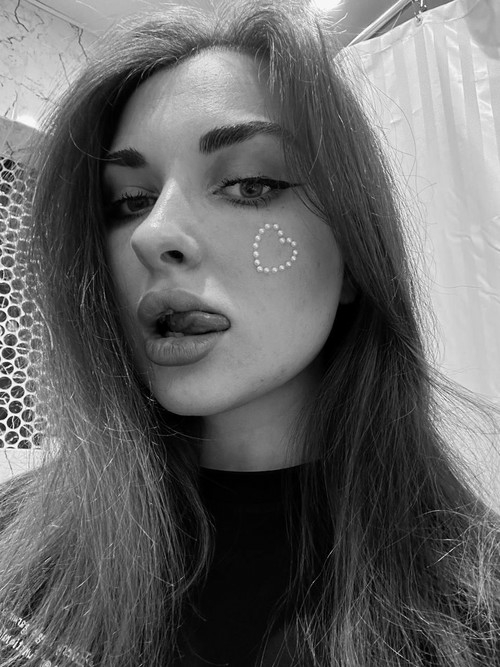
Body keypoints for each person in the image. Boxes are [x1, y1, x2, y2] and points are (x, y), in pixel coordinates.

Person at [0, 2, 499, 665]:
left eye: (248, 184)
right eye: (129, 201)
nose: (153, 234)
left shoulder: (476, 602)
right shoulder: (15, 534)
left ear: (354, 254)